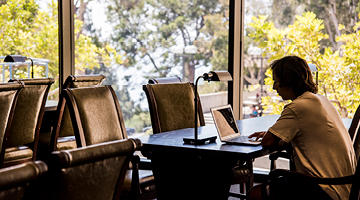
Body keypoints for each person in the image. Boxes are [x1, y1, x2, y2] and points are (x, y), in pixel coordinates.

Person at [247, 56, 356, 200]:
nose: (274, 87)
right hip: (346, 187)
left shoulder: (297, 107)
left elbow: (266, 142)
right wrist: (277, 135)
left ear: (288, 81)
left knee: (255, 194)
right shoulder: (321, 100)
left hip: (326, 189)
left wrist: (271, 135)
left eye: (276, 81)